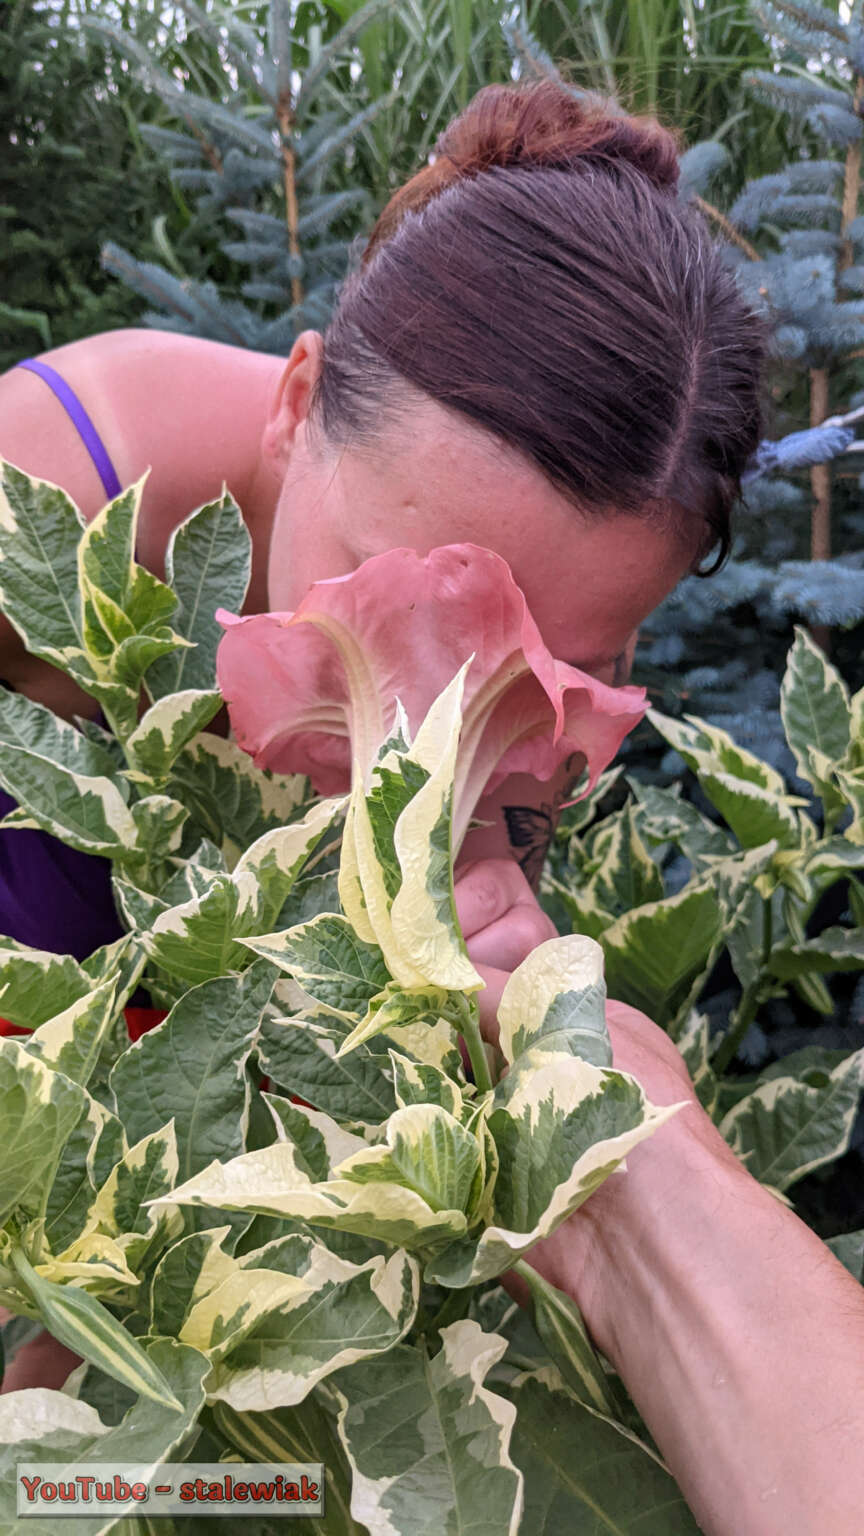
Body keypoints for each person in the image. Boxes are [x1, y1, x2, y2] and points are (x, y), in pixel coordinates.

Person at [1, 78, 862, 1534]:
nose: (434, 738)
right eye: (394, 604)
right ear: (295, 404)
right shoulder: (49, 489)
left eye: (555, 670)